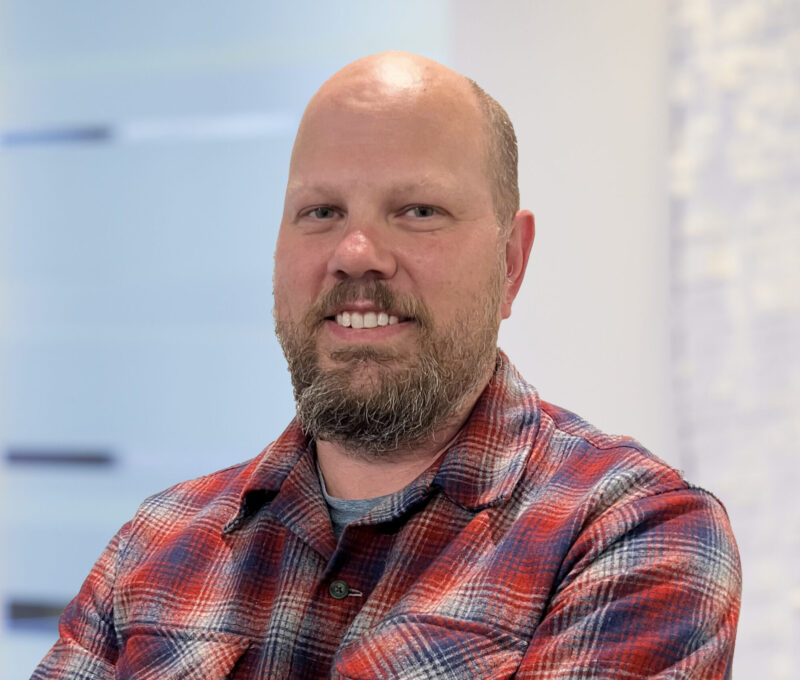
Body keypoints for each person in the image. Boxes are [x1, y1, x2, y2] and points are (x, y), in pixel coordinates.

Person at [32, 52, 741, 679]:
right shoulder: (156, 543)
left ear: (510, 262)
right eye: (321, 212)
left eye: (418, 210)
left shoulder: (633, 536)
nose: (355, 254)